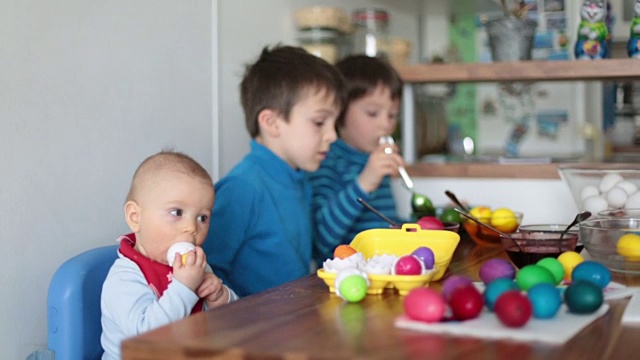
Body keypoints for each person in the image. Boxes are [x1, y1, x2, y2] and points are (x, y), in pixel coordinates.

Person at [203, 45, 346, 297]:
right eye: (320, 122)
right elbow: (205, 276)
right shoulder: (242, 189)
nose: (333, 135)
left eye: (335, 123)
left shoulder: (301, 180)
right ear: (271, 123)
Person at [101, 150, 238, 360]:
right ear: (135, 217)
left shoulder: (193, 266)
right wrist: (184, 288)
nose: (192, 228)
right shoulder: (124, 278)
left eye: (202, 217)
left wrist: (220, 297)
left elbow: (234, 321)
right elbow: (146, 336)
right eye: (177, 213)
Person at [309, 55, 405, 265]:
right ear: (339, 112)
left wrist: (428, 224)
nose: (386, 125)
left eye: (392, 115)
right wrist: (364, 183)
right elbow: (321, 242)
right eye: (372, 113)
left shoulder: (375, 161)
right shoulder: (325, 161)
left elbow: (385, 226)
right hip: (344, 282)